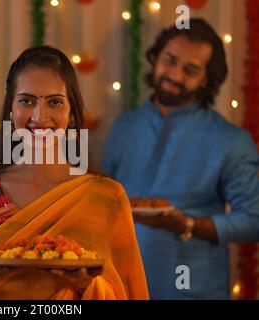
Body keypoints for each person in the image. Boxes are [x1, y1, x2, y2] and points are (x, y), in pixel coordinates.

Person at [0, 46, 149, 300]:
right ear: (11, 110)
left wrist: (86, 285)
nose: (40, 116)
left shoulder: (106, 196)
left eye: (54, 102)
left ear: (72, 115)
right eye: (27, 101)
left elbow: (131, 293)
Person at [102, 18, 259, 299]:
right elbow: (102, 202)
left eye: (190, 70)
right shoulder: (125, 127)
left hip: (193, 290)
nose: (174, 75)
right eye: (169, 61)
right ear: (156, 57)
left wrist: (188, 225)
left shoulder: (231, 139)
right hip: (122, 287)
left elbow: (254, 219)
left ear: (206, 80)